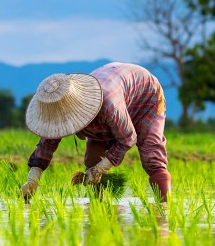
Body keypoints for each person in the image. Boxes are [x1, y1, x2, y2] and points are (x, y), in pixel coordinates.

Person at [20, 62, 171, 202]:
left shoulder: (108, 106)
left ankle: (165, 207)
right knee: (93, 159)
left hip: (145, 94)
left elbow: (128, 138)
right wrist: (33, 179)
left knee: (151, 155)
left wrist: (101, 168)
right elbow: (48, 142)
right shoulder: (58, 108)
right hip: (111, 101)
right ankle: (97, 207)